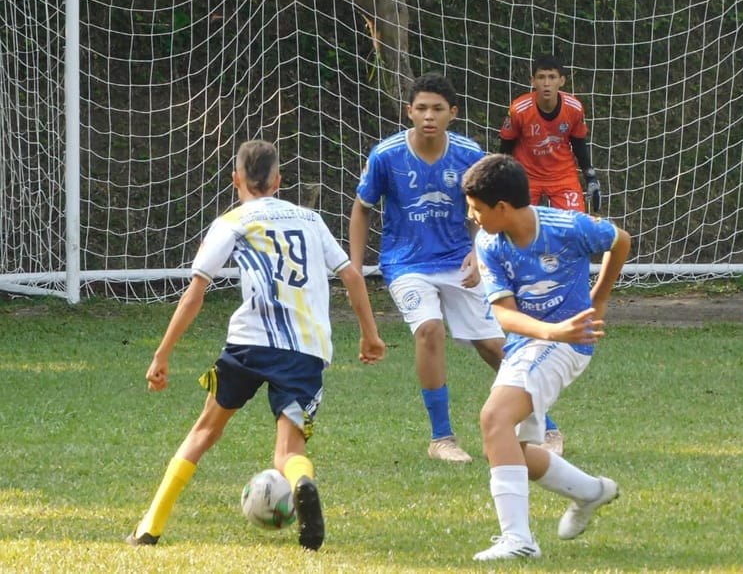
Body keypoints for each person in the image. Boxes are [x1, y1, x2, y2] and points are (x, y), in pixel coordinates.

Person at [126, 140, 385, 551]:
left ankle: (149, 527)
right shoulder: (311, 219)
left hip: (249, 344)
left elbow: (196, 292)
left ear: (236, 180)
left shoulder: (233, 220)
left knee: (205, 430)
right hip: (305, 348)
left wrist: (163, 353)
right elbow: (352, 276)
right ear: (279, 181)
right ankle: (301, 481)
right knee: (289, 448)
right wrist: (370, 335)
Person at [349, 73, 564, 461]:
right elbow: (362, 208)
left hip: (459, 261)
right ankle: (441, 439)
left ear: (453, 113)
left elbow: (485, 211)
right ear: (409, 112)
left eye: (437, 109)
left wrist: (478, 250)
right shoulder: (386, 155)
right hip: (406, 263)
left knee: (495, 346)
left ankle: (545, 426)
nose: (428, 116)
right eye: (421, 108)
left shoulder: (469, 154)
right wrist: (355, 264)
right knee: (429, 330)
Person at [461, 153, 631, 561]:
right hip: (537, 341)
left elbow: (619, 240)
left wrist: (599, 299)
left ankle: (518, 541)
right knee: (510, 449)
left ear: (502, 208)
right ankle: (591, 492)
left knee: (493, 419)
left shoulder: (566, 227)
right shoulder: (489, 242)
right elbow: (503, 313)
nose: (472, 217)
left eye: (477, 209)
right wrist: (550, 330)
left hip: (568, 344)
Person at [499, 53, 601, 214]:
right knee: (519, 227)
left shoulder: (574, 108)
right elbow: (505, 146)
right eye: (541, 77)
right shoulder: (519, 109)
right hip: (527, 176)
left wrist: (590, 177)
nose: (546, 83)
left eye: (552, 77)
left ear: (562, 80)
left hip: (562, 175)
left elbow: (579, 144)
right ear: (533, 81)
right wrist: (500, 178)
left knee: (574, 227)